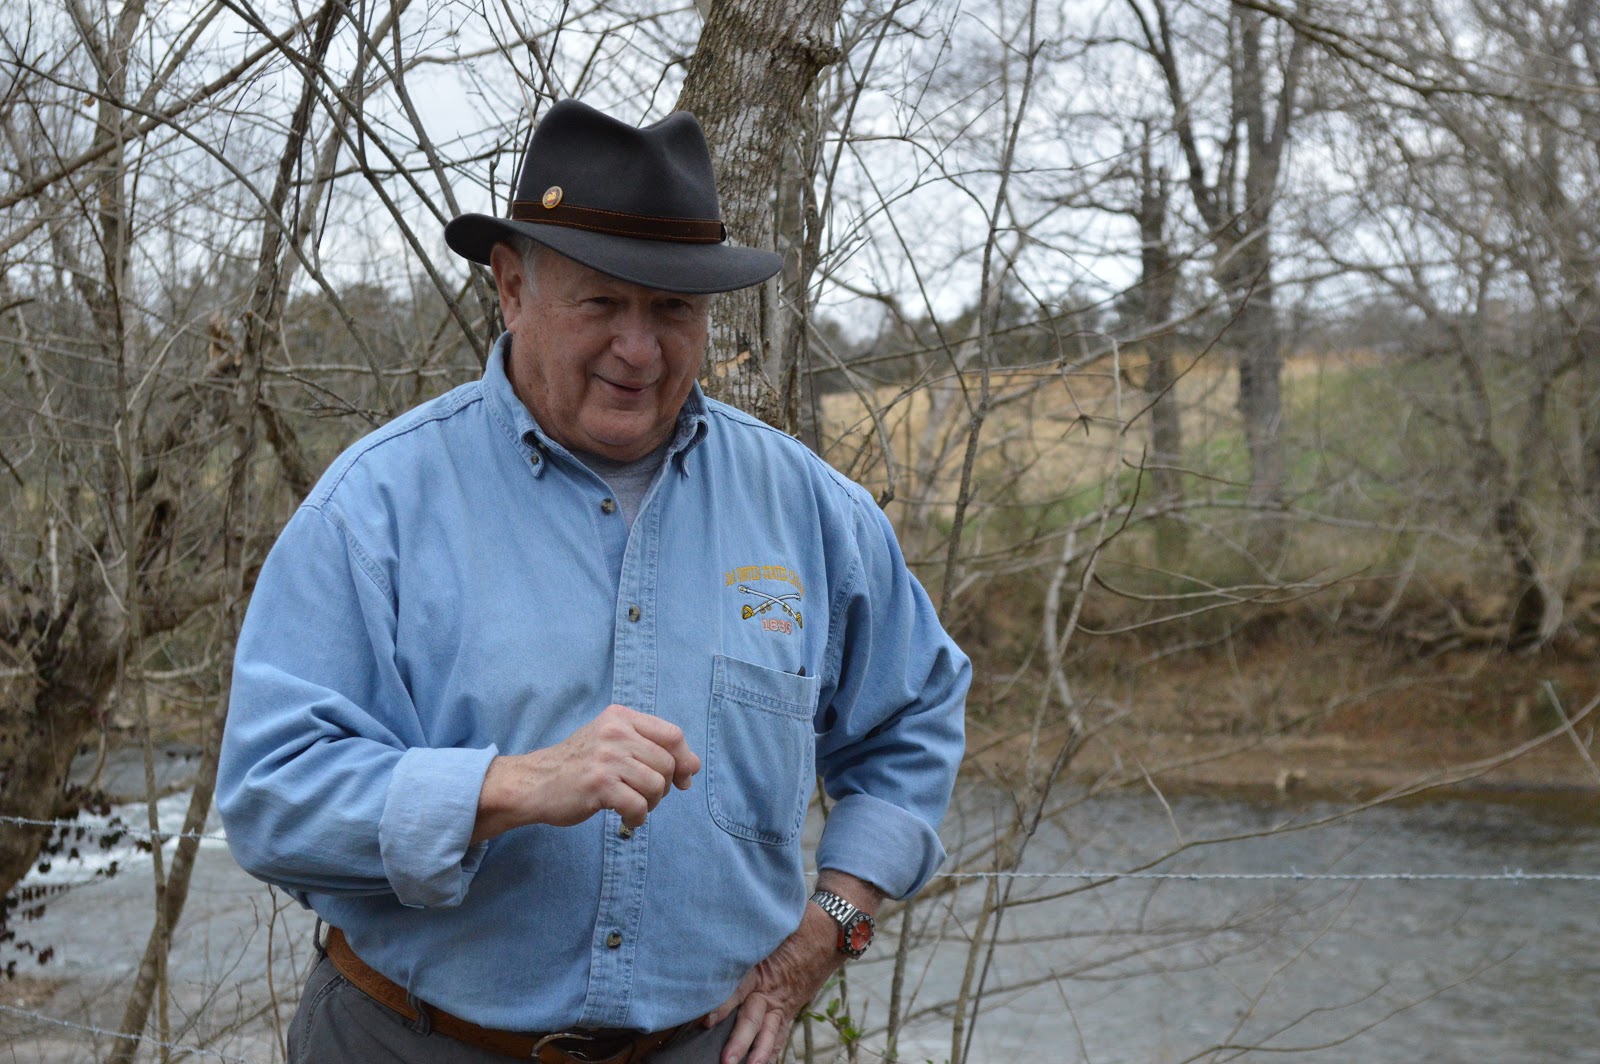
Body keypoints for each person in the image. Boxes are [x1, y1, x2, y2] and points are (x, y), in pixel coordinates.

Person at [217, 99, 969, 1064]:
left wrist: (831, 928)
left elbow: (912, 723)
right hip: (411, 1042)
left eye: (673, 309)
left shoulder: (813, 514)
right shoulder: (376, 509)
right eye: (603, 302)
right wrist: (510, 787)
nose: (640, 349)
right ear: (512, 286)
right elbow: (272, 798)